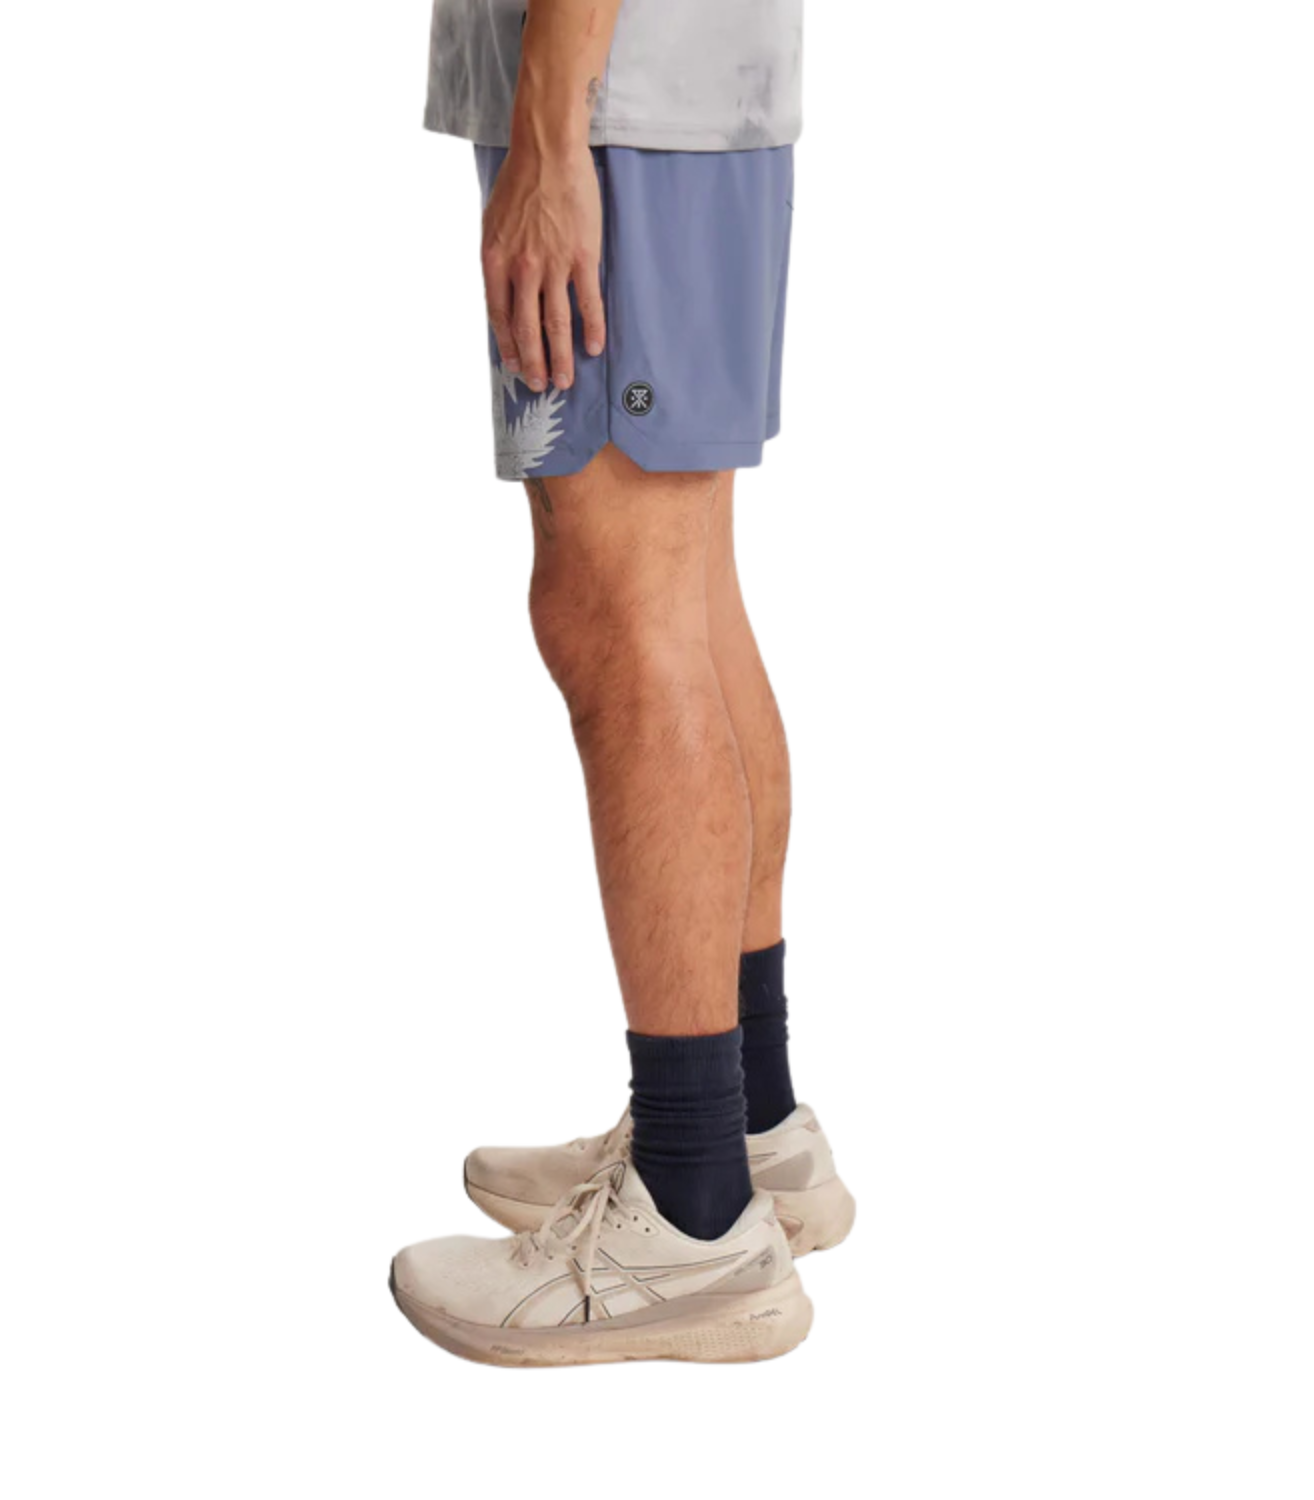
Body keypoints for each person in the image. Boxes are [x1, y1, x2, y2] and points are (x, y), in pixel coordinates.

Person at [390, 0, 855, 1367]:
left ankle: (691, 1216)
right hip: (659, 102)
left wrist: (551, 127)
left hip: (612, 108)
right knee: (684, 594)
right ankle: (742, 1121)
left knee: (617, 616)